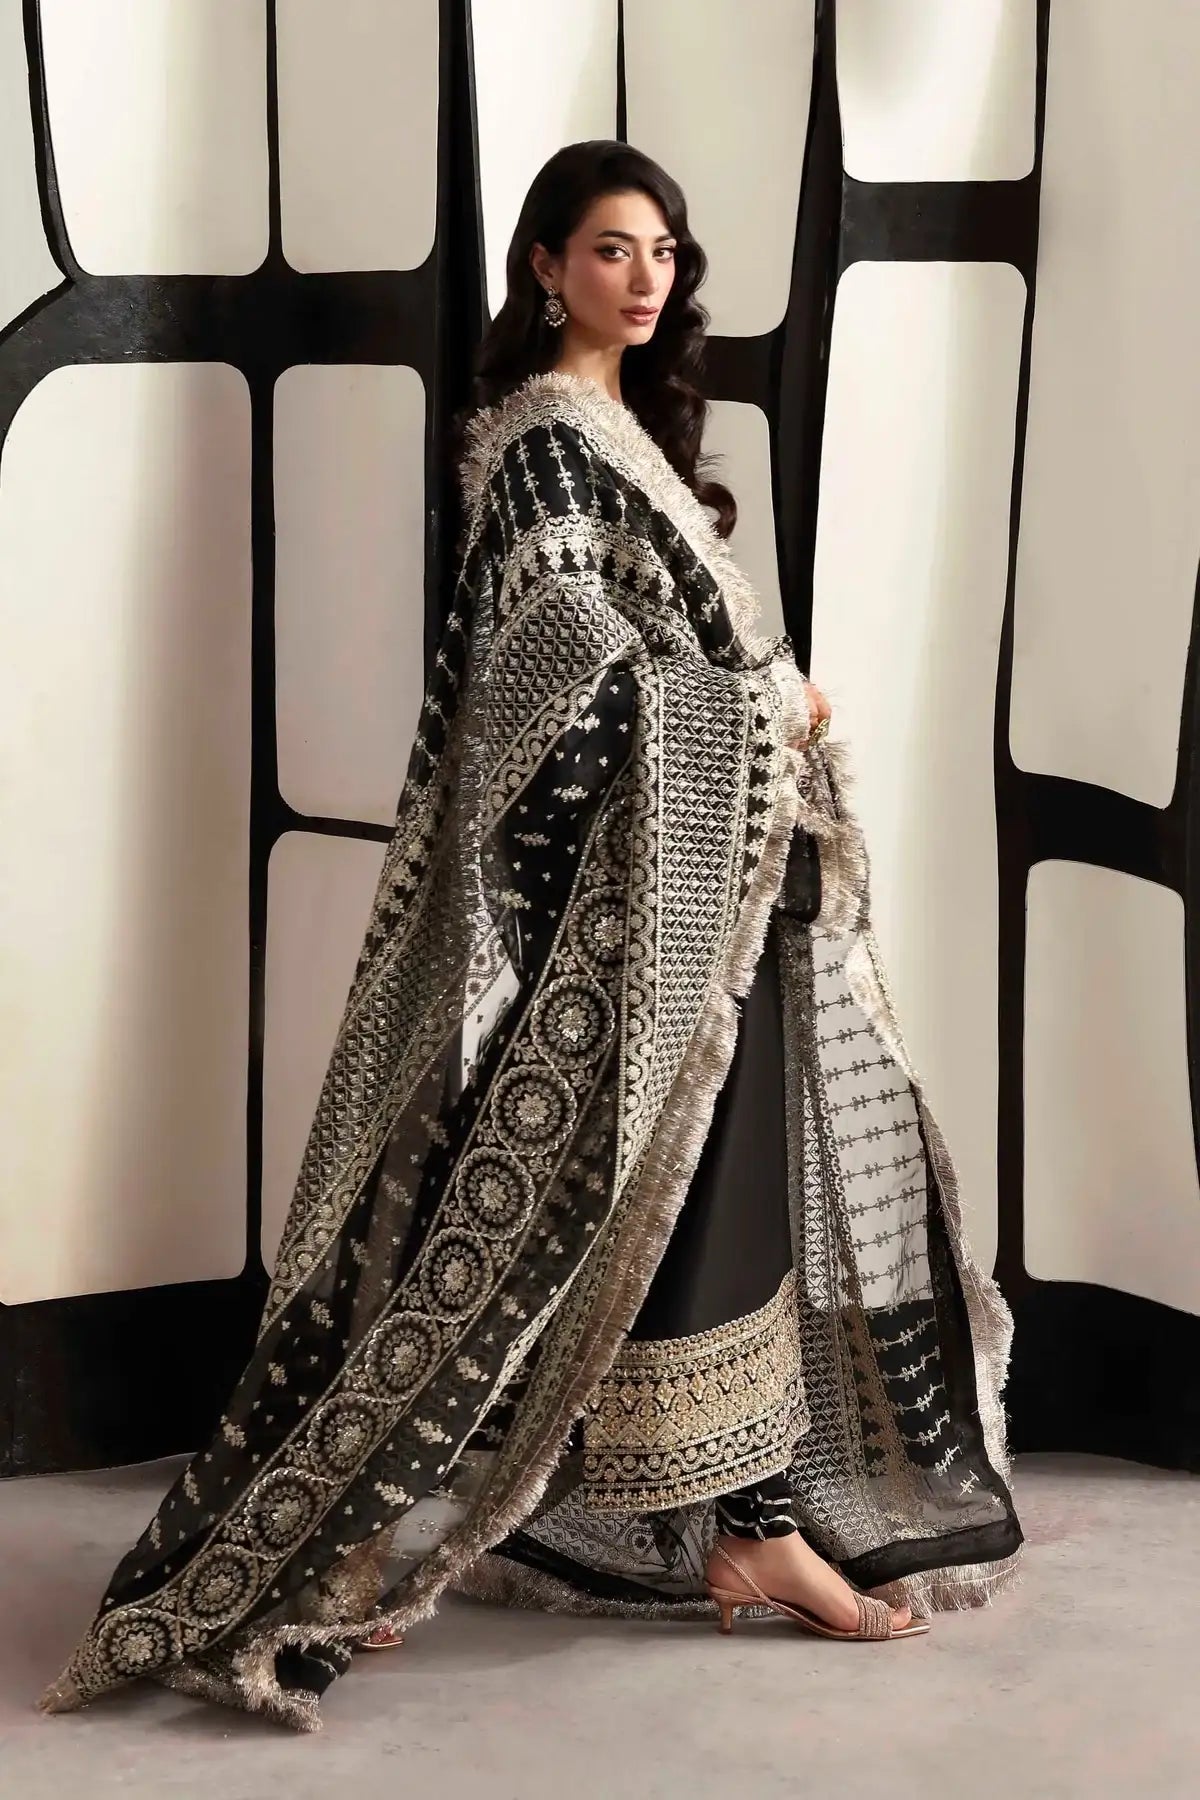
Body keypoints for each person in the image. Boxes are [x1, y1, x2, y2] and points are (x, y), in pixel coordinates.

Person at [42, 140, 1021, 1732]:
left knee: (705, 1213)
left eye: (664, 253)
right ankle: (372, 1538)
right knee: (549, 1227)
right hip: (633, 916)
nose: (645, 278)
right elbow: (555, 675)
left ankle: (747, 1527)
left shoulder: (626, 443)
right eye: (613, 248)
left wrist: (761, 717)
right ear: (548, 266)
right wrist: (765, 705)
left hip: (717, 890)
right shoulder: (545, 448)